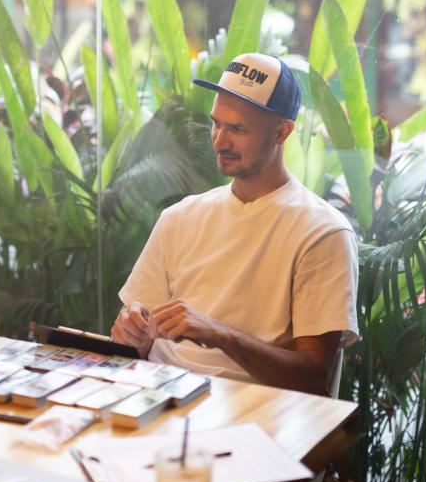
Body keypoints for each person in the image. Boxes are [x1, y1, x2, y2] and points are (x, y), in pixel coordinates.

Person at [111, 52, 358, 396]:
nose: (220, 141)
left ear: (282, 132)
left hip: (250, 411)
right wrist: (131, 332)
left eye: (238, 129)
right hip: (158, 396)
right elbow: (133, 341)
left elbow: (313, 378)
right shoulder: (180, 217)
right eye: (217, 124)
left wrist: (220, 334)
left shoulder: (322, 231)